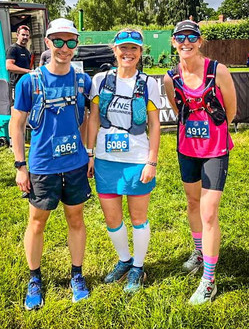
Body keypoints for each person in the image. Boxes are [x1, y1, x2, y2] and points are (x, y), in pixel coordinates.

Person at [11, 18, 92, 310]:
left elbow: (86, 120)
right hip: (43, 165)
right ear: (47, 43)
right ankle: (35, 278)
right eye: (58, 41)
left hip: (75, 165)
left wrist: (88, 153)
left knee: (76, 220)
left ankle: (77, 275)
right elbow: (17, 125)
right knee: (36, 222)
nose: (64, 47)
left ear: (76, 45)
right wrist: (21, 165)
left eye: (70, 41)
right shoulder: (29, 82)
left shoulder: (83, 81)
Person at [164, 20, 237, 305]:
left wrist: (214, 135)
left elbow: (231, 110)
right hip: (187, 149)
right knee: (193, 204)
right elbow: (176, 108)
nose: (186, 42)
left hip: (215, 150)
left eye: (191, 36)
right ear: (173, 42)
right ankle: (198, 252)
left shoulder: (217, 70)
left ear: (200, 40)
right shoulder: (171, 78)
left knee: (208, 213)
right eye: (180, 37)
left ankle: (209, 279)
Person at [87, 28, 161, 293]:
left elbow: (154, 124)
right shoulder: (100, 80)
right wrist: (90, 154)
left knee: (138, 216)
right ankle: (124, 260)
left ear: (141, 53)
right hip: (106, 159)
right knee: (111, 218)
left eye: (134, 48)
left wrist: (151, 161)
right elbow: (93, 118)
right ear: (114, 50)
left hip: (137, 160)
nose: (128, 53)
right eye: (123, 48)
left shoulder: (148, 83)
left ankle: (138, 268)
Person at [6, 25, 31, 144]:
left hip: (25, 86)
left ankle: (21, 137)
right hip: (15, 86)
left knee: (24, 113)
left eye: (27, 35)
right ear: (17, 35)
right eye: (23, 34)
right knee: (15, 112)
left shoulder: (26, 51)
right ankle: (12, 141)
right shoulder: (13, 49)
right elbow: (9, 66)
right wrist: (27, 71)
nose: (25, 37)